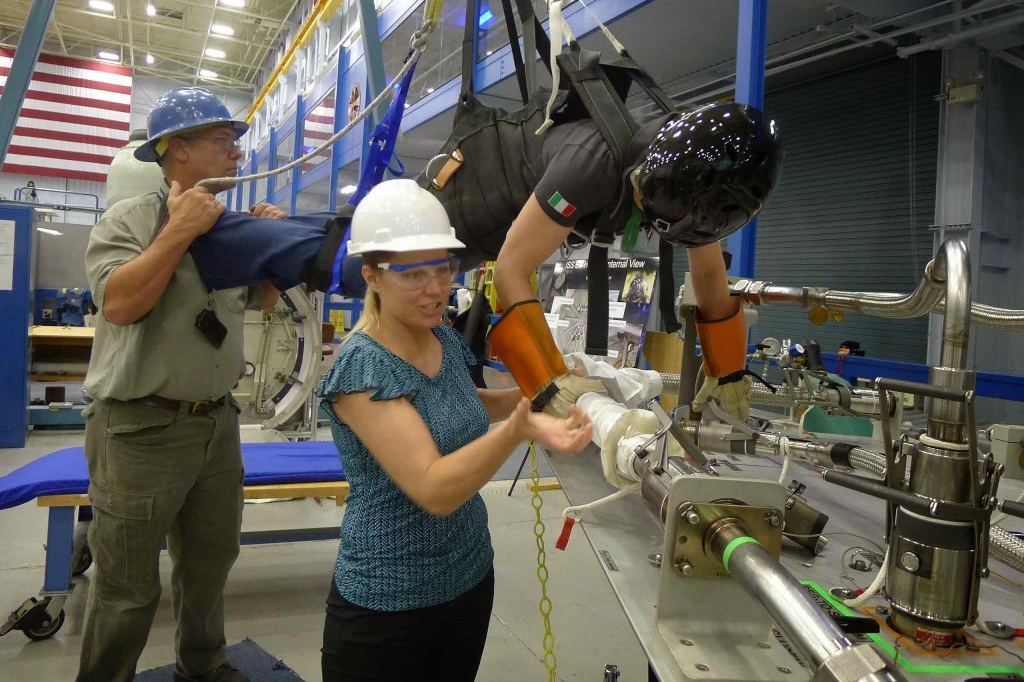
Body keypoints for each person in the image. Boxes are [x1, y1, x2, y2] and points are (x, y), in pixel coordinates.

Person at [185, 101, 780, 418]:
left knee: (355, 248)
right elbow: (515, 271)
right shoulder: (594, 165)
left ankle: (276, 229)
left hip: (500, 221)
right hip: (469, 198)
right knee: (350, 264)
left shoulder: (689, 178)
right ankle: (220, 238)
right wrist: (545, 384)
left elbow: (708, 272)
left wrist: (728, 373)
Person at [315, 179, 592, 681]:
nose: (436, 288)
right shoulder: (362, 369)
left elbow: (465, 402)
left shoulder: (439, 334)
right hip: (389, 604)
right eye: (413, 274)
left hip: (466, 577)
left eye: (443, 268)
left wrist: (533, 396)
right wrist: (517, 431)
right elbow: (434, 488)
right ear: (372, 276)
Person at [77, 86, 284, 682]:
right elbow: (120, 304)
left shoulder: (230, 227)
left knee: (210, 561)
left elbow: (257, 300)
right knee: (126, 586)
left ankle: (204, 663)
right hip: (141, 428)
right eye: (224, 141)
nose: (237, 154)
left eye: (236, 143)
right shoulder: (129, 221)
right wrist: (179, 230)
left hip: (216, 424)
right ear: (177, 149)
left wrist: (266, 250)